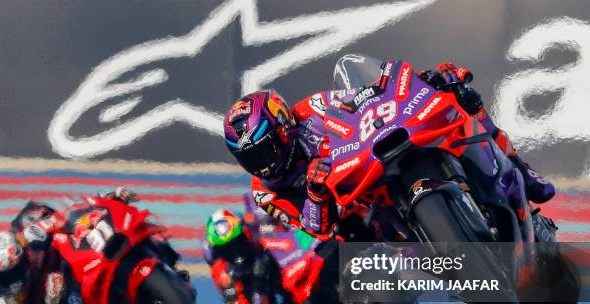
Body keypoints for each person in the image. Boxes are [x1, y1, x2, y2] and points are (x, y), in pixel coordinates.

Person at [222, 61, 555, 238]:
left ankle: (520, 169)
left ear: (282, 126)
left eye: (263, 151)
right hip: (356, 209)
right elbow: (316, 230)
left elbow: (360, 100)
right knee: (354, 241)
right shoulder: (264, 192)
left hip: (368, 161)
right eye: (250, 158)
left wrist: (424, 82)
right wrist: (316, 193)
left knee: (462, 99)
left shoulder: (311, 110)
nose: (262, 165)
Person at [0, 188, 195, 304]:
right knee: (56, 298)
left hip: (77, 259)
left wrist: (105, 199)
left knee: (149, 232)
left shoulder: (32, 235)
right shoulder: (8, 295)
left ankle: (168, 263)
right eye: (12, 270)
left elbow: (66, 216)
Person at [203, 202, 342, 304]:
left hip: (297, 287)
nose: (235, 254)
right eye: (226, 250)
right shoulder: (222, 269)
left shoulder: (263, 241)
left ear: (245, 235)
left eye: (237, 244)